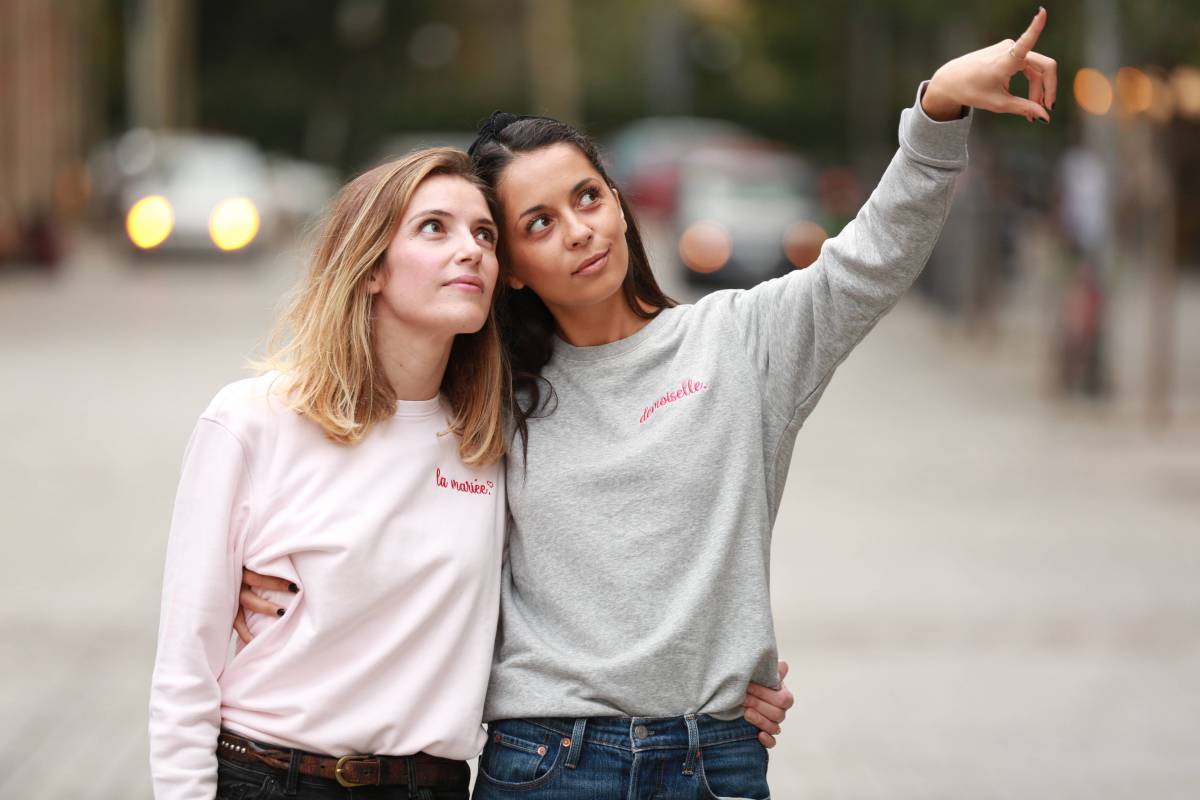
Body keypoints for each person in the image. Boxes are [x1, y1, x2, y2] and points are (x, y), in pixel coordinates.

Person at [459, 10, 1057, 799]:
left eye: (588, 197)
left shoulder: (739, 342)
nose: (579, 230)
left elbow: (871, 260)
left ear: (620, 200)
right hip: (545, 761)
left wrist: (939, 110)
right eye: (540, 222)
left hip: (713, 761)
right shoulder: (486, 394)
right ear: (512, 268)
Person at [149, 147, 510, 800]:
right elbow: (185, 665)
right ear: (371, 267)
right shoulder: (253, 420)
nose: (473, 250)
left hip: (431, 785)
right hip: (269, 776)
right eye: (435, 227)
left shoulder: (493, 442)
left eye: (484, 233)